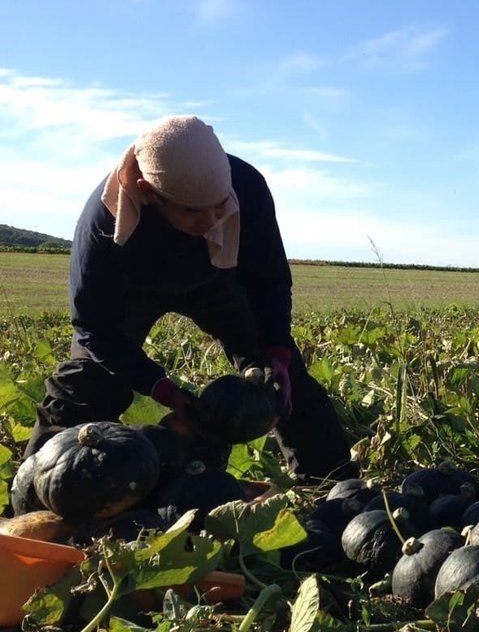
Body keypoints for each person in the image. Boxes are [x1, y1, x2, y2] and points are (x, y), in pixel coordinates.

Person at [26, 115, 356, 483]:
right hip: (132, 292)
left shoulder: (247, 187)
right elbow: (94, 328)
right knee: (90, 381)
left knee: (281, 379)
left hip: (217, 279)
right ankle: (41, 491)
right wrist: (161, 388)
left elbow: (270, 280)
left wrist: (277, 349)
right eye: (194, 211)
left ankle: (334, 485)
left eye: (221, 206)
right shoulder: (103, 224)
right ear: (148, 193)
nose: (213, 220)